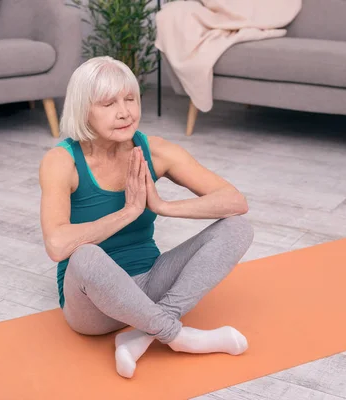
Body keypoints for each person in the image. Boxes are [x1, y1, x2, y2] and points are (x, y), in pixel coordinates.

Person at [38, 56, 254, 379]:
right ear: (84, 110)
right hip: (91, 307)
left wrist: (164, 206)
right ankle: (179, 336)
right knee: (83, 256)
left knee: (238, 227)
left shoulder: (154, 150)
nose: (125, 112)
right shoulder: (61, 161)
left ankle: (144, 334)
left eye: (130, 99)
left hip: (149, 283)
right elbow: (56, 245)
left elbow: (234, 201)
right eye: (109, 103)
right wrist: (128, 212)